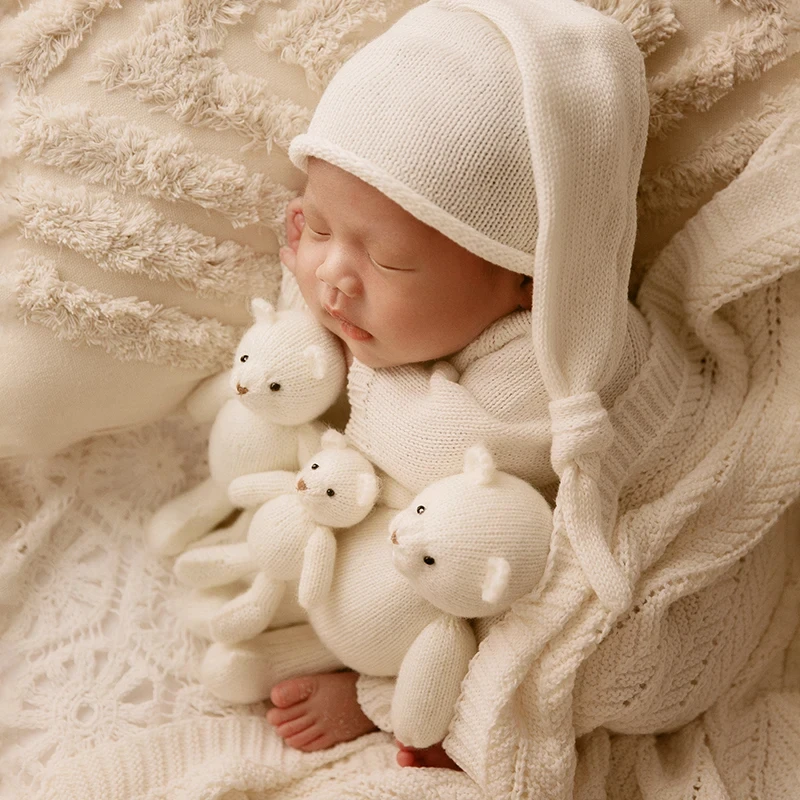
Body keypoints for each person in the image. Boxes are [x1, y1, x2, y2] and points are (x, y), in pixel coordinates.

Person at [245, 0, 650, 769]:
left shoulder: (552, 362)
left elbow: (444, 448)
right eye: (315, 228)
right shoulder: (387, 305)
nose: (330, 279)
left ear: (528, 280)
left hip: (585, 558)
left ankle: (388, 703)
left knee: (525, 603)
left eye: (389, 263)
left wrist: (351, 367)